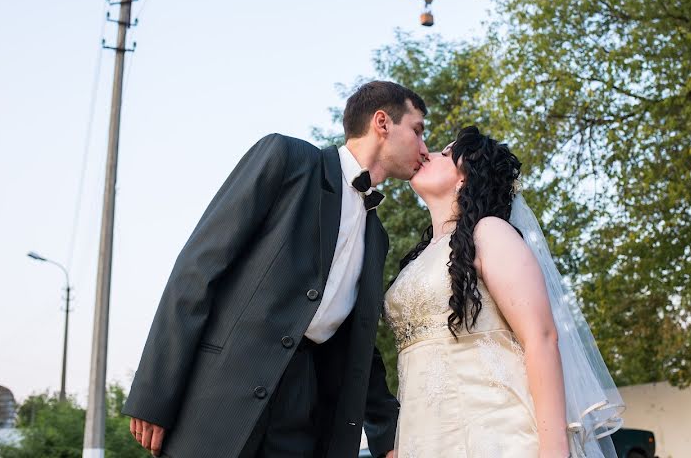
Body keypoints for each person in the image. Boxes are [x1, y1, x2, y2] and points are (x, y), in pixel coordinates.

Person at [123, 81, 430, 458]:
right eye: (417, 130)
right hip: (220, 399)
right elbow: (199, 267)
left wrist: (387, 440)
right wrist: (153, 394)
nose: (424, 147)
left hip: (303, 413)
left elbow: (358, 343)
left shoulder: (376, 236)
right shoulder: (288, 159)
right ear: (382, 122)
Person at [385, 126, 624, 458]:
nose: (428, 153)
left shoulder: (490, 232)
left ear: (465, 179)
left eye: (445, 153)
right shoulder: (419, 258)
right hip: (427, 439)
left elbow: (541, 337)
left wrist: (554, 452)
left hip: (499, 435)